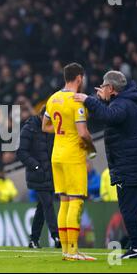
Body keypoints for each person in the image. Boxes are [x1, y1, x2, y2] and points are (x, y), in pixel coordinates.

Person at [74, 70, 137, 259]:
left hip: (130, 165)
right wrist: (102, 101)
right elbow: (114, 115)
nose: (100, 89)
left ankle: (136, 248)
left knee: (129, 208)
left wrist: (88, 100)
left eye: (103, 86)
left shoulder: (123, 104)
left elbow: (111, 116)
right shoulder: (131, 99)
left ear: (111, 88)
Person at [42, 63, 97, 261]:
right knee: (76, 201)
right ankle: (73, 251)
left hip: (57, 155)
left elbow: (44, 125)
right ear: (79, 78)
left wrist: (61, 130)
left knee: (64, 202)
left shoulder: (53, 98)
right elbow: (83, 132)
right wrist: (92, 146)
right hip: (73, 157)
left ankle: (67, 250)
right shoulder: (76, 101)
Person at [17, 106, 60, 249]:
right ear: (42, 116)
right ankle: (56, 236)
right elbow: (21, 152)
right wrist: (36, 166)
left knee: (42, 207)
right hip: (37, 174)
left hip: (50, 174)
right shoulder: (29, 129)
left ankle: (33, 239)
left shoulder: (50, 129)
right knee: (47, 203)